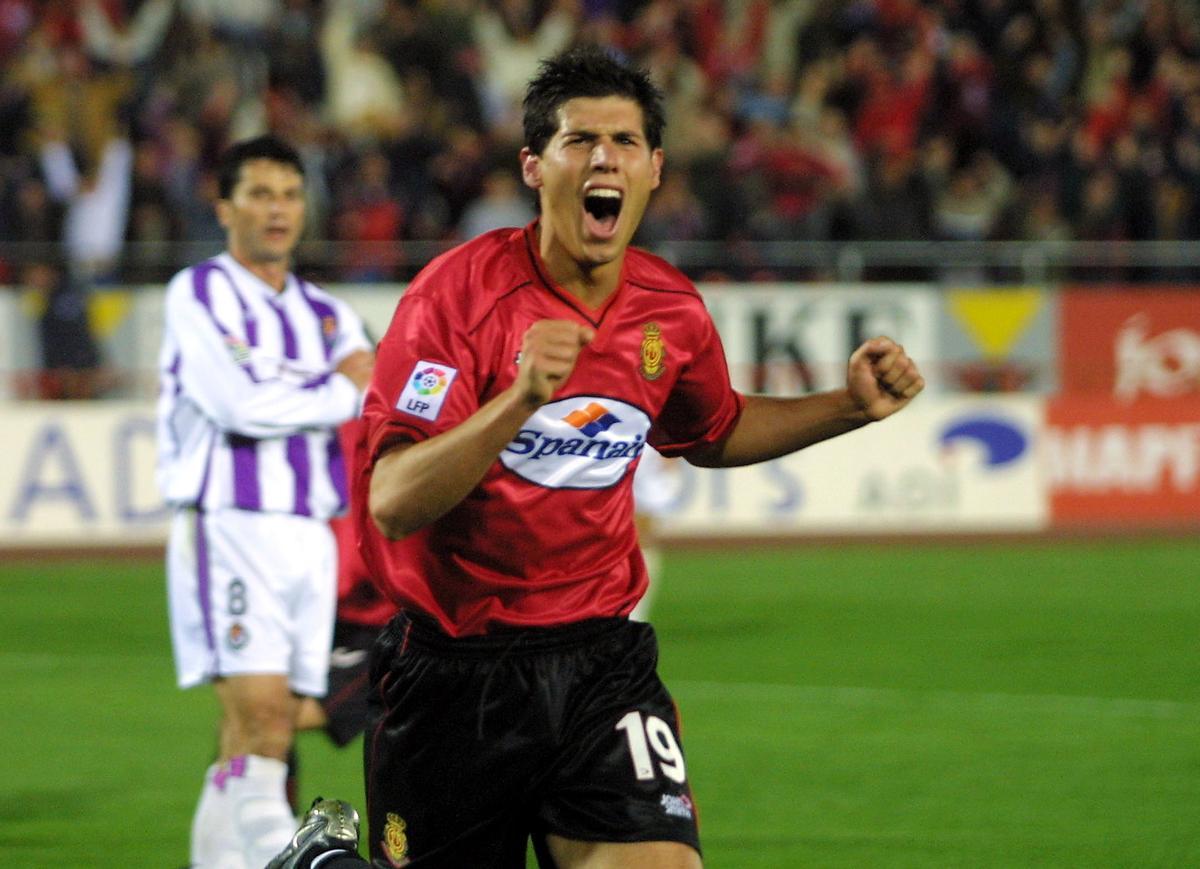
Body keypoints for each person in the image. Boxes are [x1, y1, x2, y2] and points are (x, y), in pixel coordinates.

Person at [272, 45, 924, 869]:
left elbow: (712, 429)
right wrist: (517, 401)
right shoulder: (453, 298)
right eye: (579, 141)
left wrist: (849, 407)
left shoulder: (671, 311)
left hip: (599, 661)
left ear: (655, 169)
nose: (603, 158)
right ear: (534, 168)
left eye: (624, 142)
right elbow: (394, 498)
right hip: (451, 668)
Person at [155, 134, 374, 869]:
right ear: (224, 207)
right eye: (258, 193)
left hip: (310, 535)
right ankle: (299, 858)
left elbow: (367, 385)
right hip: (232, 523)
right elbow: (238, 403)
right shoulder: (201, 292)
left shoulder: (327, 311)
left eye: (289, 193)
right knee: (266, 718)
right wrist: (330, 387)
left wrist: (299, 384)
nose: (277, 209)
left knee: (252, 734)